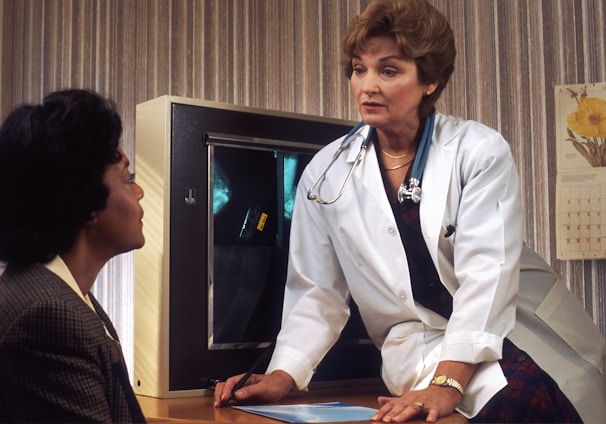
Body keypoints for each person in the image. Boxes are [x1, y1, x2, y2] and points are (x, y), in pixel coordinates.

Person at [214, 0, 606, 422]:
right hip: (421, 347)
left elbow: (487, 274)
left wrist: (447, 382)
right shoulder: (326, 172)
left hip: (513, 329)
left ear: (430, 80)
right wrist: (284, 373)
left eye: (388, 70)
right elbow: (317, 290)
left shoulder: (478, 151)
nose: (367, 86)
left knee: (538, 403)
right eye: (358, 69)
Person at [0, 89, 147, 423]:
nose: (139, 192)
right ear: (86, 200)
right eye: (127, 179)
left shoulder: (66, 299)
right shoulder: (48, 316)